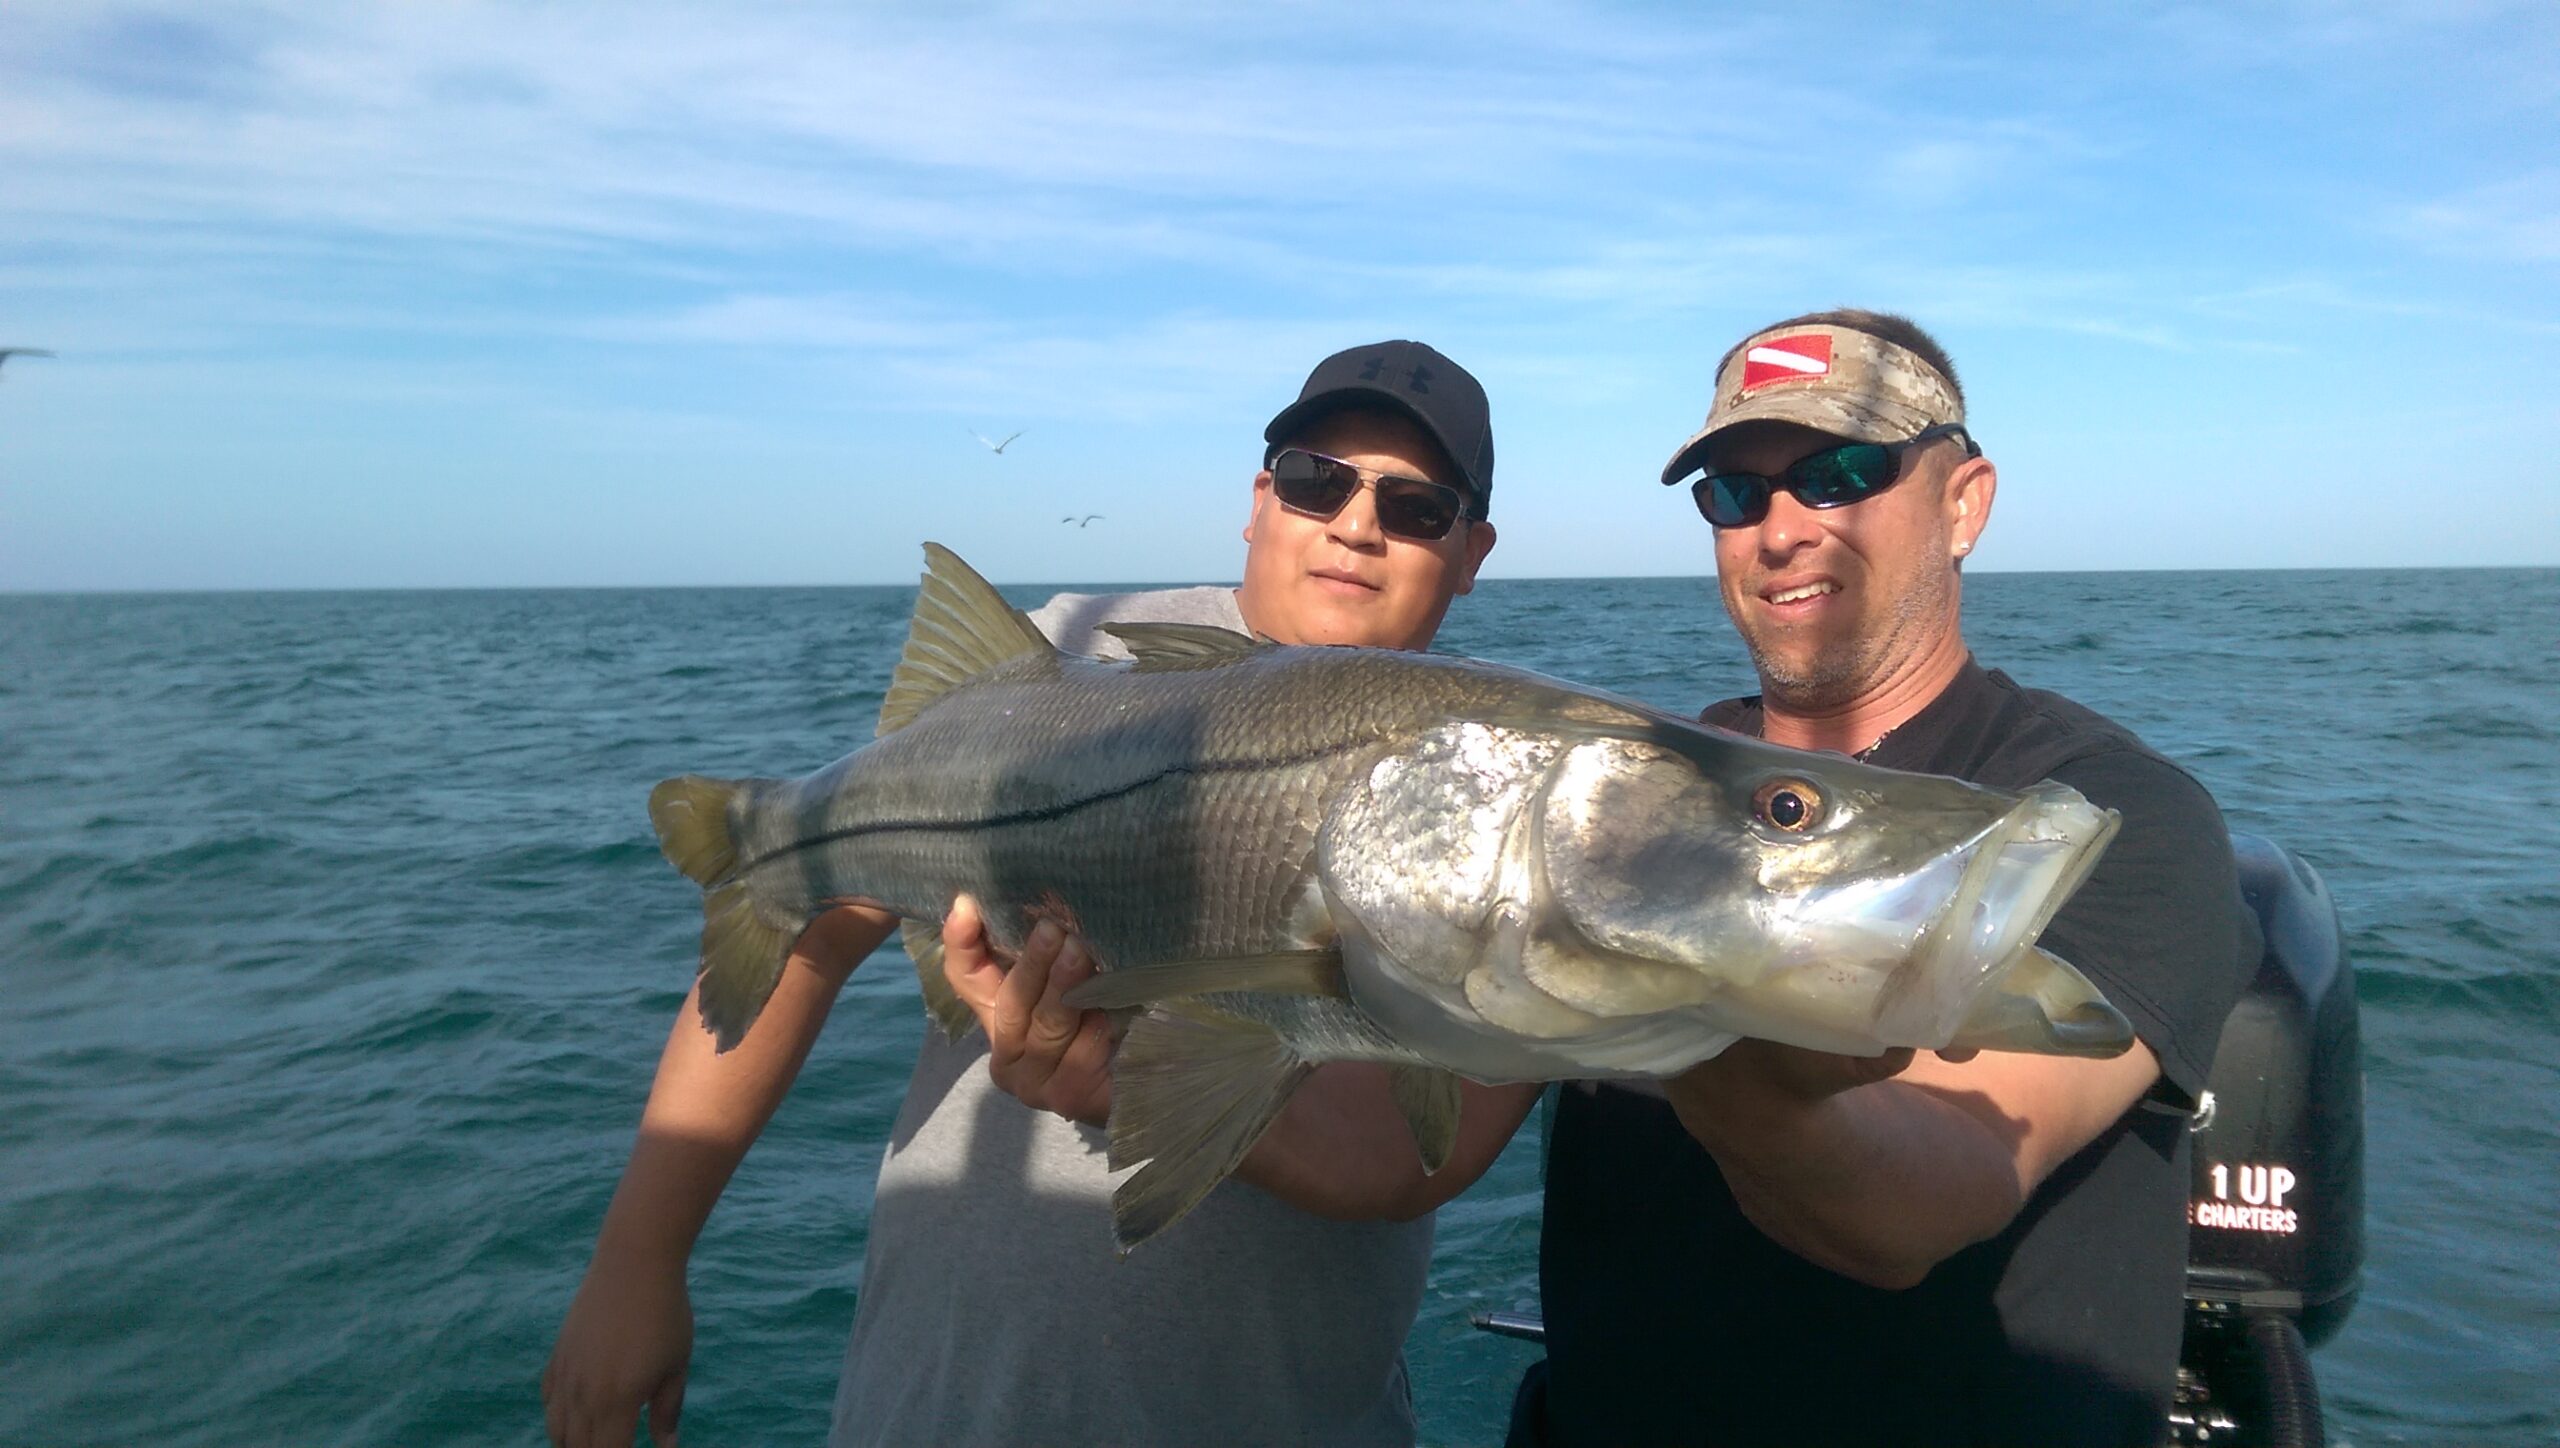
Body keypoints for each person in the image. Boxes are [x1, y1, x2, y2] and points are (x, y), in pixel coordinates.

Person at [961, 311, 2257, 1448]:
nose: (1784, 526)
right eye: (1735, 495)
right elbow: (1408, 1144)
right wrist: (1131, 1074)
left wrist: (1732, 1057)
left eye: (1844, 472)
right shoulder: (1610, 805)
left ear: (1964, 499)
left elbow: (1921, 1197)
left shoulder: (2109, 819)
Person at [541, 340, 1505, 1448]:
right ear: (1258, 499)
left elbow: (1413, 1155)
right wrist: (637, 1262)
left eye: (1417, 506)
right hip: (938, 1401)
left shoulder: (1493, 790)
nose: (1355, 523)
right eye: (1314, 479)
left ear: (1471, 551)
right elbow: (810, 929)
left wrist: (1126, 1079)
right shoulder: (1071, 652)